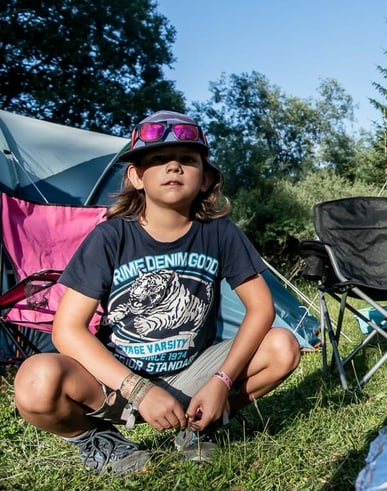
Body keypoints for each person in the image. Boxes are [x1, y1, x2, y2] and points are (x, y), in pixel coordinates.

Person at [13, 110, 301, 475]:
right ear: (136, 176)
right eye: (159, 159)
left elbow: (261, 308)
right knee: (36, 381)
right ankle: (100, 440)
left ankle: (200, 423)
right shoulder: (110, 237)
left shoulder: (220, 234)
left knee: (282, 347)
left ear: (205, 177)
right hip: (117, 380)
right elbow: (67, 330)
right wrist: (138, 390)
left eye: (187, 159)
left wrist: (221, 382)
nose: (174, 167)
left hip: (194, 374)